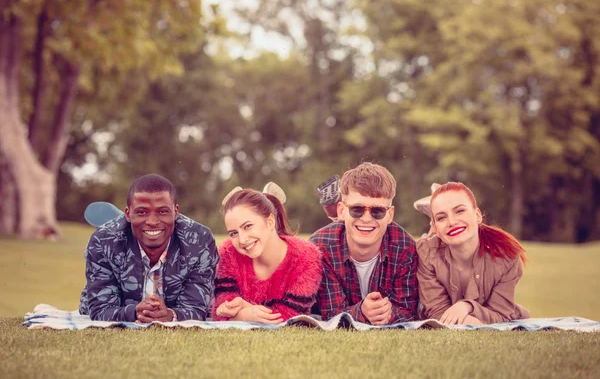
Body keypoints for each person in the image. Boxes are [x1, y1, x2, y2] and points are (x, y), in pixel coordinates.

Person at [79, 174, 219, 322]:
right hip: (120, 307)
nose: (152, 221)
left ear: (176, 212)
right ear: (128, 213)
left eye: (163, 211)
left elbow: (197, 307)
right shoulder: (102, 241)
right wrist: (134, 313)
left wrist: (171, 315)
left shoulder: (200, 241)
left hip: (172, 308)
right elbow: (101, 310)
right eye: (141, 212)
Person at [310, 162, 418, 325]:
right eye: (357, 209)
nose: (366, 218)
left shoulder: (405, 247)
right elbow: (330, 313)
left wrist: (387, 314)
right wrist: (362, 312)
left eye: (377, 211)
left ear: (390, 215)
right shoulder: (320, 247)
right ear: (341, 211)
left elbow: (409, 311)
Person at [415, 181, 529, 325]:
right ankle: (435, 217)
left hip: (494, 311)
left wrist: (466, 306)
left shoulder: (507, 256)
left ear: (477, 215)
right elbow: (437, 311)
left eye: (460, 211)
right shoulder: (425, 253)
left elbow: (500, 314)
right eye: (441, 217)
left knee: (519, 313)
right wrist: (468, 321)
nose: (451, 221)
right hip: (434, 248)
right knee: (427, 244)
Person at [211, 183, 322, 324]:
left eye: (248, 226)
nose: (242, 239)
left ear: (270, 222)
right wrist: (243, 314)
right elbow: (220, 310)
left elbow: (291, 316)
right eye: (234, 233)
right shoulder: (228, 251)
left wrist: (244, 310)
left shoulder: (306, 257)